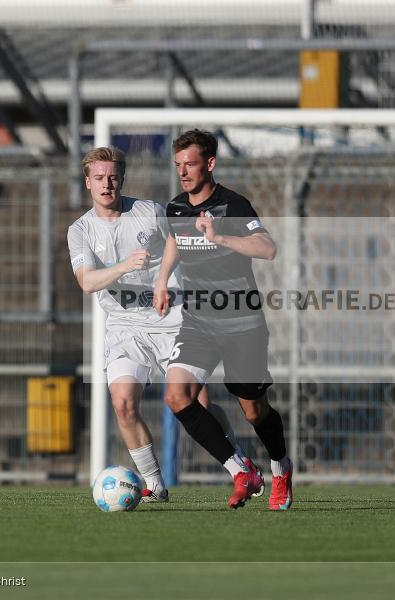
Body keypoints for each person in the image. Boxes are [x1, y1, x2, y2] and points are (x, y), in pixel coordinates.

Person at [67, 146, 255, 503]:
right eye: (99, 178)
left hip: (172, 317)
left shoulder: (148, 212)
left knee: (195, 403)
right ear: (87, 182)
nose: (107, 184)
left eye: (112, 177)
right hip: (124, 325)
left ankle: (238, 466)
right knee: (123, 403)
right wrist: (125, 266)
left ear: (121, 179)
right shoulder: (80, 231)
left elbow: (182, 240)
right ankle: (154, 484)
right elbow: (87, 282)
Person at [152, 129, 293, 511]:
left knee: (253, 410)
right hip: (198, 321)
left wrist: (222, 239)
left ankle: (280, 468)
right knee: (176, 395)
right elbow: (174, 241)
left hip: (242, 322)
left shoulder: (233, 205)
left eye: (190, 164)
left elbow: (268, 248)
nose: (183, 172)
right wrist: (162, 280)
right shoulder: (177, 208)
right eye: (178, 165)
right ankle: (241, 470)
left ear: (210, 164)